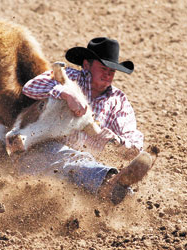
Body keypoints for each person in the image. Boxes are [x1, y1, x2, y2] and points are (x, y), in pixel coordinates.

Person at [14, 37, 153, 205]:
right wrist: (66, 93)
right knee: (71, 159)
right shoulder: (69, 77)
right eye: (103, 68)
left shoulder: (118, 100)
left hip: (83, 167)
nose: (108, 75)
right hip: (40, 153)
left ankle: (115, 189)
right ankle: (110, 183)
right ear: (86, 65)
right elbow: (30, 87)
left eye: (112, 71)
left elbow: (134, 143)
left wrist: (117, 141)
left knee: (86, 167)